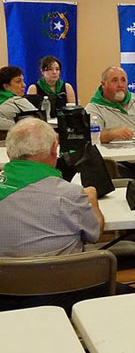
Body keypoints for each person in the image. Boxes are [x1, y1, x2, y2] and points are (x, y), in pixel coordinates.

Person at [0, 118, 105, 312]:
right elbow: (95, 232)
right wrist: (92, 201)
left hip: (5, 300)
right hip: (63, 295)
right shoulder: (69, 194)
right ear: (54, 149)